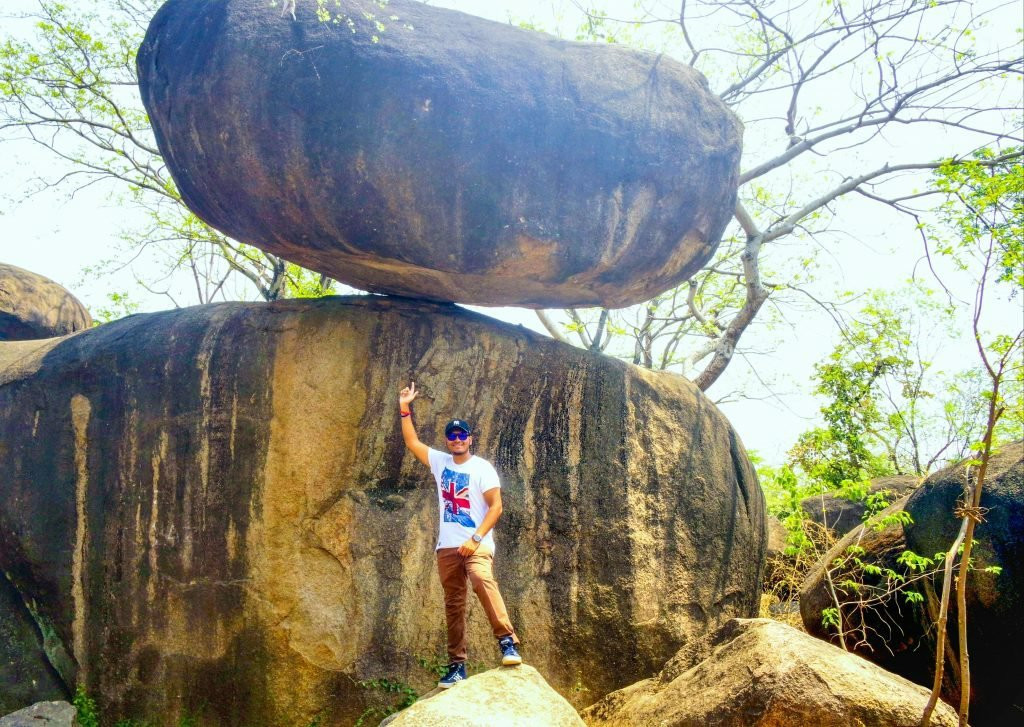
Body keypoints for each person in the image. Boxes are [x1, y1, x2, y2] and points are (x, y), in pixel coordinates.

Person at [399, 381, 522, 688]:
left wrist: (476, 539)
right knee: (453, 603)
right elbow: (412, 442)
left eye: (461, 434)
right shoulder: (440, 462)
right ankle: (457, 666)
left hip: (476, 543)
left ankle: (507, 642)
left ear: (470, 438)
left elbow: (496, 507)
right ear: (448, 440)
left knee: (482, 580)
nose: (456, 439)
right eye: (451, 435)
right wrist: (404, 407)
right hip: (447, 547)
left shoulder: (482, 468)